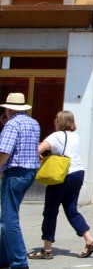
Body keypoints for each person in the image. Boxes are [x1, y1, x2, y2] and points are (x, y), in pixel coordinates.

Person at [29, 111, 93, 260]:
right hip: (78, 173)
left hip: (62, 176)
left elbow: (37, 150)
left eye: (56, 119)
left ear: (61, 121)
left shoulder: (56, 136)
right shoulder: (75, 136)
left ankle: (47, 249)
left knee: (50, 211)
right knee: (71, 209)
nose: (54, 121)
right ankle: (89, 240)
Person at [0, 92, 41, 269]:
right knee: (8, 217)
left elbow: (5, 151)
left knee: (8, 220)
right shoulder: (33, 122)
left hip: (15, 173)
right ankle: (4, 257)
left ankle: (18, 262)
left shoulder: (12, 124)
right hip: (29, 172)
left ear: (9, 109)